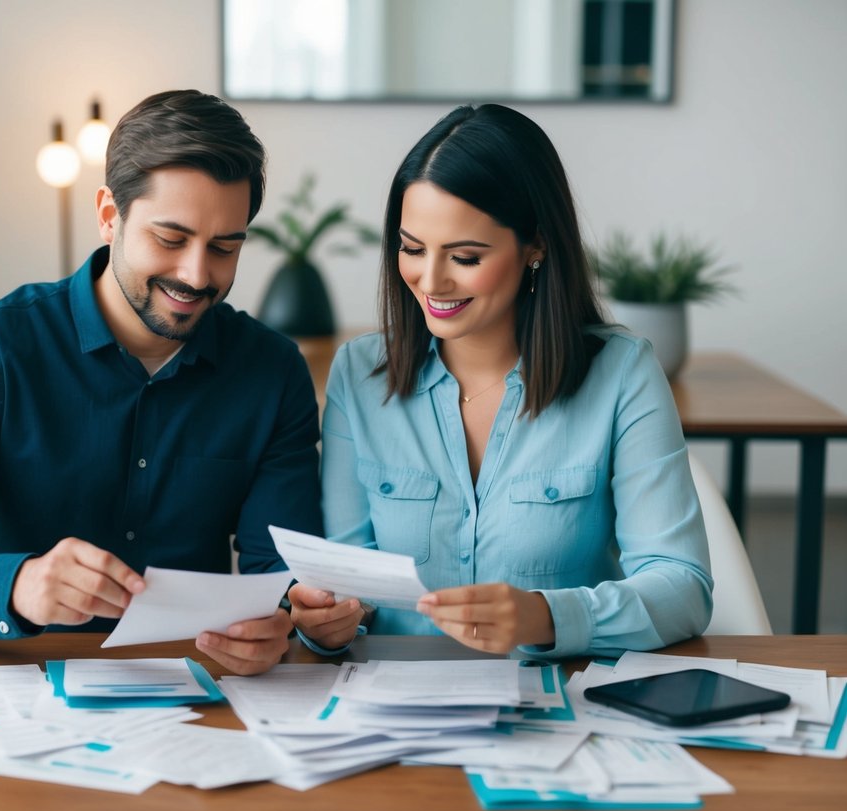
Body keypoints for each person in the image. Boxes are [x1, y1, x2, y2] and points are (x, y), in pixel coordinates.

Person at [0, 90, 322, 675]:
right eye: (170, 240)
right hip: (8, 677)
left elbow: (281, 577)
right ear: (109, 215)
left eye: (224, 247)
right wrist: (17, 586)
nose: (197, 275)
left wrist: (280, 625)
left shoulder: (271, 372)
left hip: (194, 688)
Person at [289, 104, 712, 659]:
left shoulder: (622, 372)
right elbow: (348, 574)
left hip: (562, 705)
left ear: (535, 246)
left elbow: (682, 589)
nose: (431, 280)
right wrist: (326, 620)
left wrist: (547, 616)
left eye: (464, 256)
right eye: (412, 249)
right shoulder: (359, 375)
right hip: (394, 708)